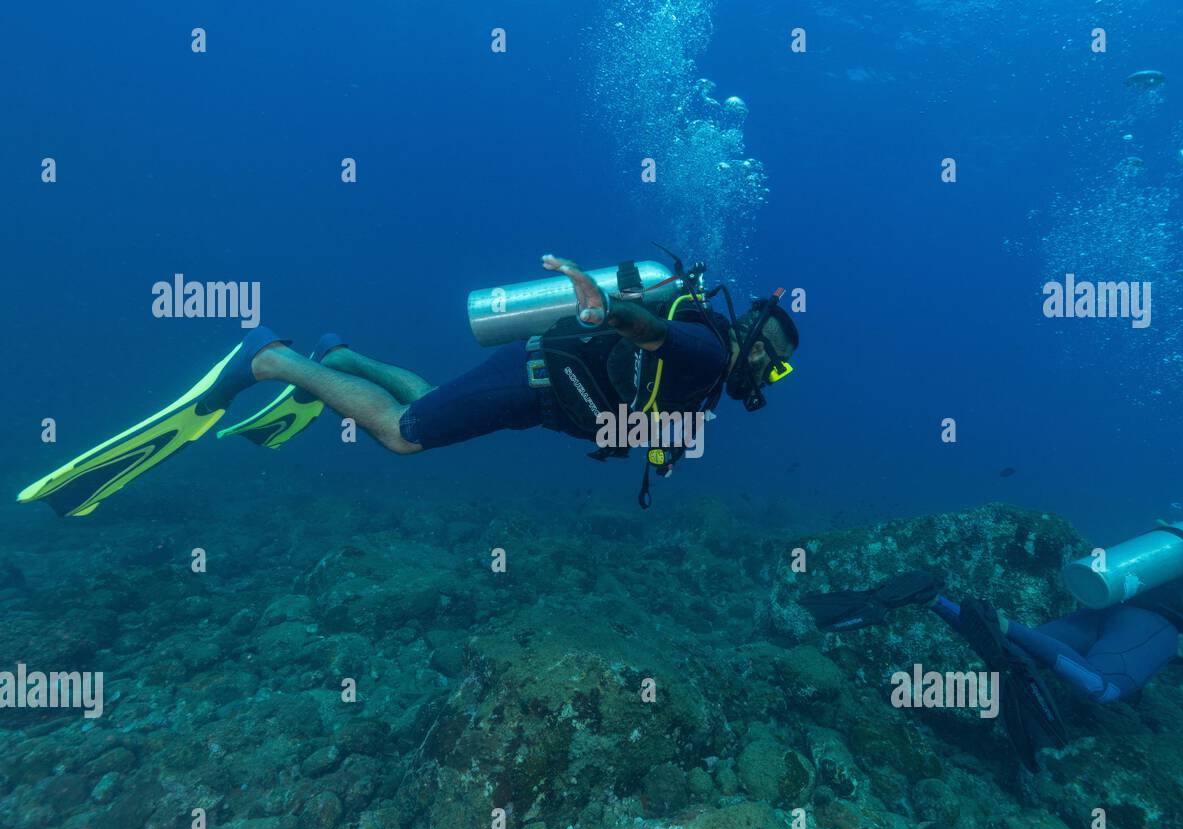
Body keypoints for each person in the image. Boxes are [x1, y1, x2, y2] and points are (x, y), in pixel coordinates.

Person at [18, 254, 799, 516]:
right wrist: (612, 309)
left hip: (531, 383)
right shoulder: (704, 345)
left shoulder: (704, 376)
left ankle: (340, 354)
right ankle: (267, 360)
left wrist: (661, 446)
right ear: (756, 341)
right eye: (775, 359)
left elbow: (647, 418)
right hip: (533, 385)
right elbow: (651, 333)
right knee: (403, 433)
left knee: (425, 397)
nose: (770, 375)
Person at [800, 524, 1183, 771]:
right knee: (1102, 687)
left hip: (1106, 608)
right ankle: (1003, 621)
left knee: (1035, 653)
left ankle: (933, 597)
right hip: (1151, 626)